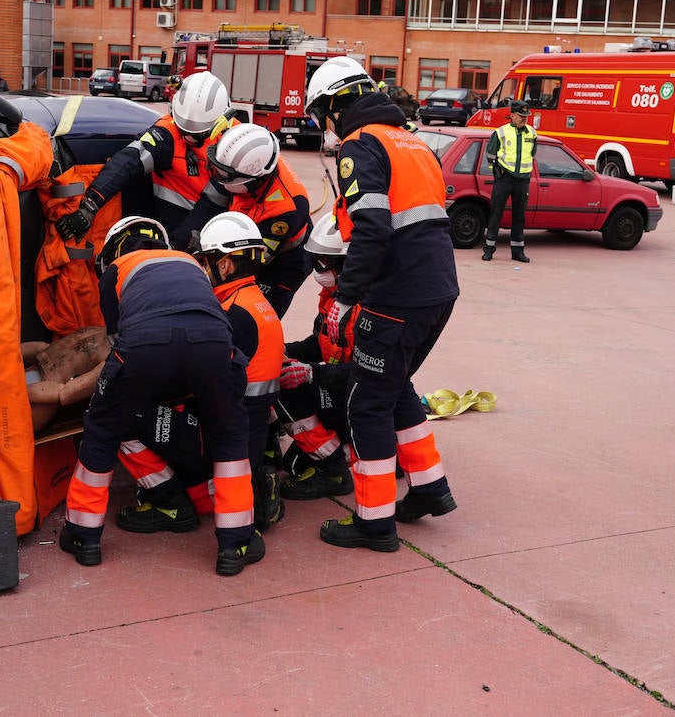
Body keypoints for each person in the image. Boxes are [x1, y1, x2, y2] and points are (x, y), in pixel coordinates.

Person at [302, 56, 459, 552]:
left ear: (333, 104)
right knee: (395, 387)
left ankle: (374, 523)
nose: (322, 126)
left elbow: (371, 226)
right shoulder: (411, 140)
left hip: (397, 294)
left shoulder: (361, 144)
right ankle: (430, 490)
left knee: (366, 403)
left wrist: (347, 297)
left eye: (319, 114)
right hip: (438, 288)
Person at [59, 216, 263, 576]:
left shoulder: (116, 271)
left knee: (103, 426)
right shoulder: (190, 263)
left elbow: (117, 340)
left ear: (110, 254)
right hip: (213, 343)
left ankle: (83, 535)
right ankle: (236, 543)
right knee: (230, 431)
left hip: (145, 343)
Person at [114, 212, 287, 534]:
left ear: (225, 264)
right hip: (243, 431)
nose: (201, 270)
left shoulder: (231, 315)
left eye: (206, 261)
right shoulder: (254, 303)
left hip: (220, 435)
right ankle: (247, 489)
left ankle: (170, 504)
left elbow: (182, 380)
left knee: (122, 413)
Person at [55, 71, 235, 240]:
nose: (187, 137)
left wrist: (177, 245)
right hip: (174, 227)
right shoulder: (167, 134)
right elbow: (126, 162)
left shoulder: (238, 143)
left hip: (216, 231)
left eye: (196, 134)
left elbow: (213, 203)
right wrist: (90, 206)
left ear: (220, 121)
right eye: (183, 129)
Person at [179, 124, 312, 317]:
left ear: (253, 180)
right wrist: (178, 246)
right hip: (250, 228)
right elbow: (206, 207)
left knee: (250, 316)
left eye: (222, 175)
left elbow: (248, 260)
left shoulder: (287, 209)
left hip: (281, 266)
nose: (216, 177)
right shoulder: (238, 162)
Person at [276, 212, 354, 500]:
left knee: (285, 385)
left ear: (348, 263)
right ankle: (341, 455)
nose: (316, 270)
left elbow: (368, 372)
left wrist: (310, 373)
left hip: (359, 400)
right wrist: (284, 349)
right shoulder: (334, 296)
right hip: (338, 390)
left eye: (322, 263)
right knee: (293, 465)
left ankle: (334, 471)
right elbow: (320, 344)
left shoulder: (369, 305)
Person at [481, 100, 538, 263]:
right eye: (521, 116)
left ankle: (517, 251)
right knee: (496, 213)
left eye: (526, 116)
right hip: (504, 178)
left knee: (519, 216)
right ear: (512, 115)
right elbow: (490, 154)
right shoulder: (500, 132)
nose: (524, 119)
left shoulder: (532, 133)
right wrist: (496, 171)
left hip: (523, 180)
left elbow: (532, 153)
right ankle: (489, 248)